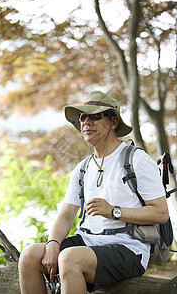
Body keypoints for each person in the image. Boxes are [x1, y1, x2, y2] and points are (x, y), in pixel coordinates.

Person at [18, 90, 169, 294]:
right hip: (88, 242)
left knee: (68, 258)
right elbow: (66, 214)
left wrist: (114, 211)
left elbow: (160, 213)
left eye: (95, 116)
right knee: (29, 256)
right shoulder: (83, 168)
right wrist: (53, 242)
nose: (86, 122)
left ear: (114, 122)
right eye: (83, 117)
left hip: (129, 249)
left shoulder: (136, 159)